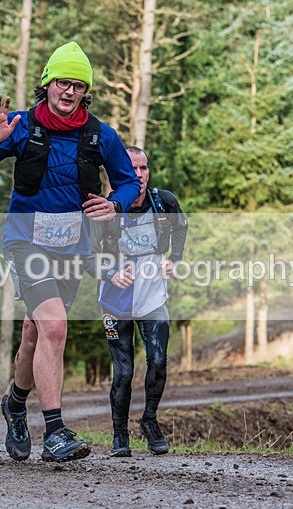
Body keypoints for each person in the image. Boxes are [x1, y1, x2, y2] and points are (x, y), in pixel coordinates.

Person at [0, 42, 141, 462]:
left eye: (78, 85)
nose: (69, 92)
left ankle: (15, 405)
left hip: (72, 248)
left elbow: (129, 181)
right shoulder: (21, 125)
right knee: (54, 326)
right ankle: (55, 433)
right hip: (26, 242)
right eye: (62, 83)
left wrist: (115, 204)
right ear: (47, 84)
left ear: (85, 92)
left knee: (35, 333)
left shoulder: (100, 135)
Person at [85, 146, 188, 457]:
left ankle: (149, 420)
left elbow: (181, 227)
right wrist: (110, 273)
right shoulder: (103, 210)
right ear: (119, 172)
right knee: (124, 371)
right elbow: (86, 257)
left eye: (144, 168)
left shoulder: (163, 201)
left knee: (158, 361)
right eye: (132, 169)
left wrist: (175, 259)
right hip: (114, 302)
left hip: (153, 297)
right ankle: (120, 435)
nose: (139, 175)